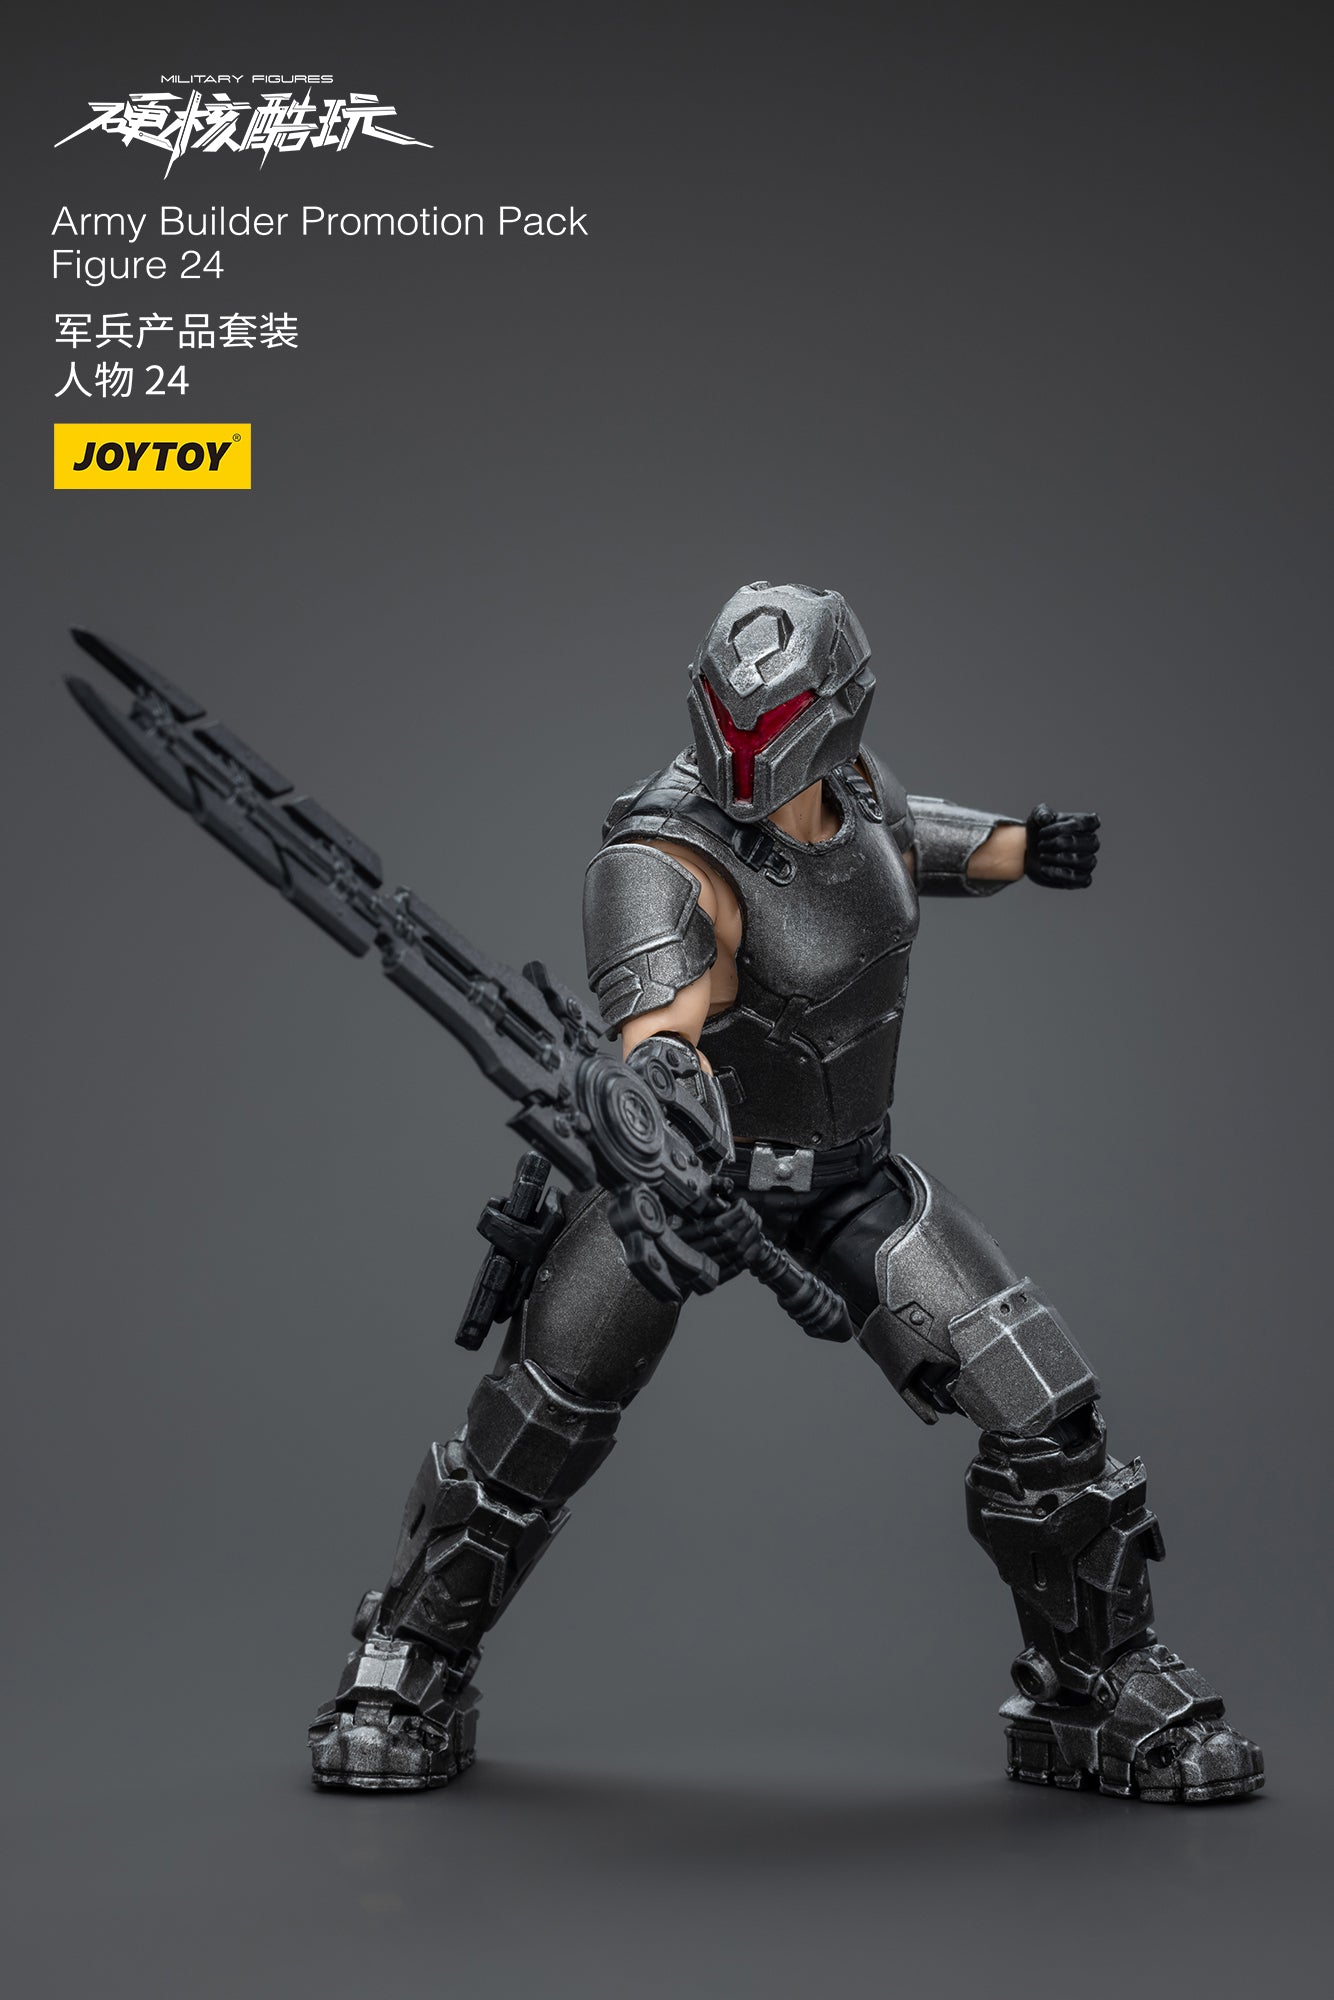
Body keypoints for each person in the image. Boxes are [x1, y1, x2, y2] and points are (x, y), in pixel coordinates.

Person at [310, 581, 1262, 1803]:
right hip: (683, 1186)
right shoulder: (659, 856)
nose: (748, 745)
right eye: (732, 714)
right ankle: (406, 1663)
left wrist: (1021, 848)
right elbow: (659, 1024)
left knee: (1041, 1405)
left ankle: (1092, 1690)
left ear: (838, 710)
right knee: (532, 1423)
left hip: (849, 1176)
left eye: (774, 720)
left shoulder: (854, 786)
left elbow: (904, 841)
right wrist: (664, 1109)